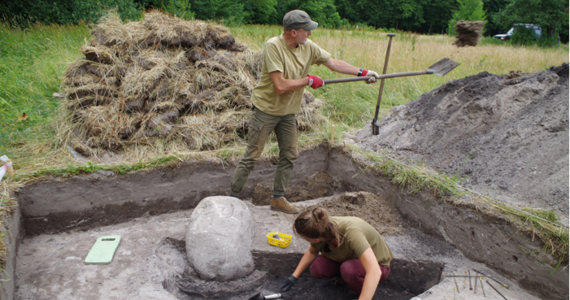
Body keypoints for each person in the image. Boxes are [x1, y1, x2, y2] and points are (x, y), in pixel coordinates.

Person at [229, 10, 380, 214]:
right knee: (252, 156)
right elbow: (280, 86)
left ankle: (278, 199)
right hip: (266, 110)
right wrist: (308, 80)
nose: (310, 34)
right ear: (293, 32)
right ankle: (232, 198)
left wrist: (363, 73)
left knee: (290, 154)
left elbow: (333, 63)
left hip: (288, 111)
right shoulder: (274, 46)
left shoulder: (307, 47)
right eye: (306, 30)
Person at [280, 207, 393, 300]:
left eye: (305, 238)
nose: (304, 239)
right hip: (348, 259)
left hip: (378, 265)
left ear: (316, 239)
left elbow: (374, 271)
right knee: (318, 268)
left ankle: (363, 294)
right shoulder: (320, 228)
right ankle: (347, 278)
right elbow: (312, 251)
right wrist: (293, 277)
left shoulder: (352, 232)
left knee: (348, 269)